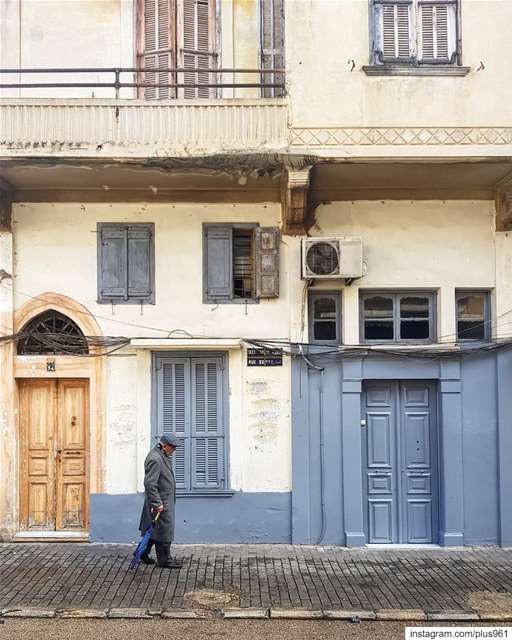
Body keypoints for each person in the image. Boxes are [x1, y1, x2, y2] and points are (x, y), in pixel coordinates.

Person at [138, 434, 183, 569]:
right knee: (164, 530)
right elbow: (150, 484)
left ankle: (143, 553)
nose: (174, 450)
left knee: (154, 530)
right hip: (160, 502)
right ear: (164, 446)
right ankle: (164, 560)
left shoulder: (161, 456)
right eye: (172, 448)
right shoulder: (155, 459)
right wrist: (157, 503)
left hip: (164, 500)